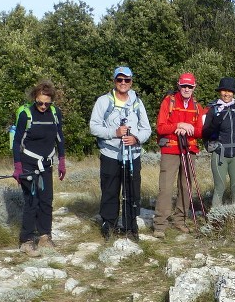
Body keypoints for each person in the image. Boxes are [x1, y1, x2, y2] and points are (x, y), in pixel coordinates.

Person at [89, 66, 152, 240]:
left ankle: (131, 227)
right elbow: (93, 127)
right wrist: (114, 133)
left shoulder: (137, 102)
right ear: (114, 81)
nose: (123, 83)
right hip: (110, 154)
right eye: (120, 79)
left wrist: (136, 139)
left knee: (132, 192)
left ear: (131, 81)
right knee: (110, 190)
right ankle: (109, 225)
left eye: (127, 80)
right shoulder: (103, 101)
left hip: (132, 155)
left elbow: (147, 129)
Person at [11, 80, 66, 256]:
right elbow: (17, 142)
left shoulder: (55, 114)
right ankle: (26, 241)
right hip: (28, 163)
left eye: (47, 103)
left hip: (46, 163)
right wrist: (17, 166)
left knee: (46, 201)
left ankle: (44, 236)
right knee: (31, 201)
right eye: (40, 102)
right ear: (35, 98)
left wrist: (62, 161)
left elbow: (59, 137)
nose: (43, 106)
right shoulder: (25, 115)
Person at [154, 72, 207, 238]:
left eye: (189, 86)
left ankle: (179, 220)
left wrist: (188, 129)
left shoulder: (198, 107)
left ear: (194, 87)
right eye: (184, 85)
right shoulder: (168, 102)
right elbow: (160, 128)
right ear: (178, 85)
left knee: (186, 188)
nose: (186, 89)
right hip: (170, 150)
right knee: (166, 188)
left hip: (189, 150)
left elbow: (201, 131)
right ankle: (160, 225)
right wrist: (178, 125)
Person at [202, 76, 235, 207]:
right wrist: (214, 125)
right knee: (219, 188)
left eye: (230, 91)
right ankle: (214, 221)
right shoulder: (213, 110)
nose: (227, 94)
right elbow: (205, 133)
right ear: (220, 92)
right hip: (220, 153)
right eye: (224, 90)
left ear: (234, 93)